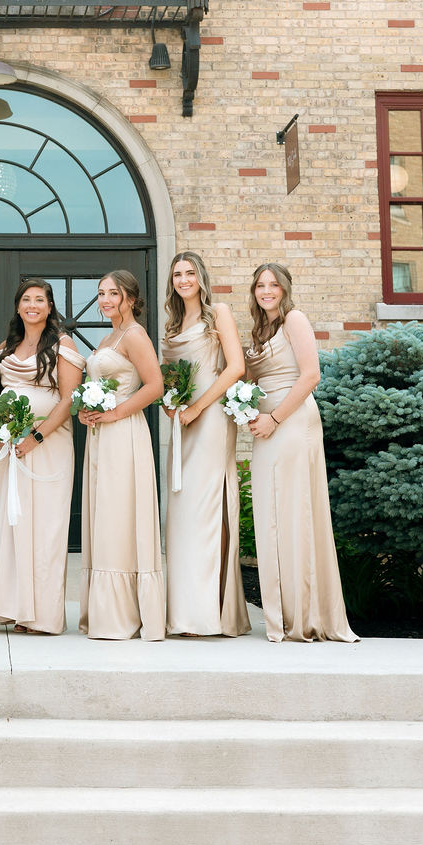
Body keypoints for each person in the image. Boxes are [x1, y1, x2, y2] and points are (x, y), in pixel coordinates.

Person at [245, 263, 358, 643]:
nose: (266, 290)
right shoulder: (260, 330)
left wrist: (274, 418)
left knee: (294, 514)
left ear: (285, 288)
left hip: (292, 423)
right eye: (260, 285)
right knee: (271, 513)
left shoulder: (295, 319)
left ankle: (306, 615)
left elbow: (311, 375)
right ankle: (282, 613)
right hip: (267, 427)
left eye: (273, 284)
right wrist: (245, 408)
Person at [160, 252, 250, 637]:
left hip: (211, 418)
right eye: (177, 274)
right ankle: (185, 610)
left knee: (206, 508)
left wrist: (198, 406)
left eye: (189, 273)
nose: (183, 279)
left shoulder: (219, 314)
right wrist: (173, 402)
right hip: (183, 421)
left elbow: (236, 367)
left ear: (201, 277)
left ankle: (210, 613)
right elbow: (171, 378)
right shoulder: (172, 326)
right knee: (181, 511)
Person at [77, 269, 166, 641]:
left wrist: (114, 413)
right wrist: (86, 410)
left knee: (120, 516)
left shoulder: (134, 335)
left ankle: (123, 613)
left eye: (113, 293)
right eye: (100, 293)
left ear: (130, 298)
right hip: (101, 438)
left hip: (125, 435)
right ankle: (104, 611)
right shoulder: (107, 337)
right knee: (104, 516)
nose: (105, 300)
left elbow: (156, 385)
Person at [0, 279, 82, 635]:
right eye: (26, 299)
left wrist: (36, 436)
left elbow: (68, 399)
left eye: (40, 300)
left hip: (49, 445)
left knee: (46, 528)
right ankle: (17, 611)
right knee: (13, 526)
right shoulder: (6, 347)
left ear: (49, 307)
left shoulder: (62, 345)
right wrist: (4, 430)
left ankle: (43, 616)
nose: (33, 305)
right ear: (18, 307)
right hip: (12, 449)